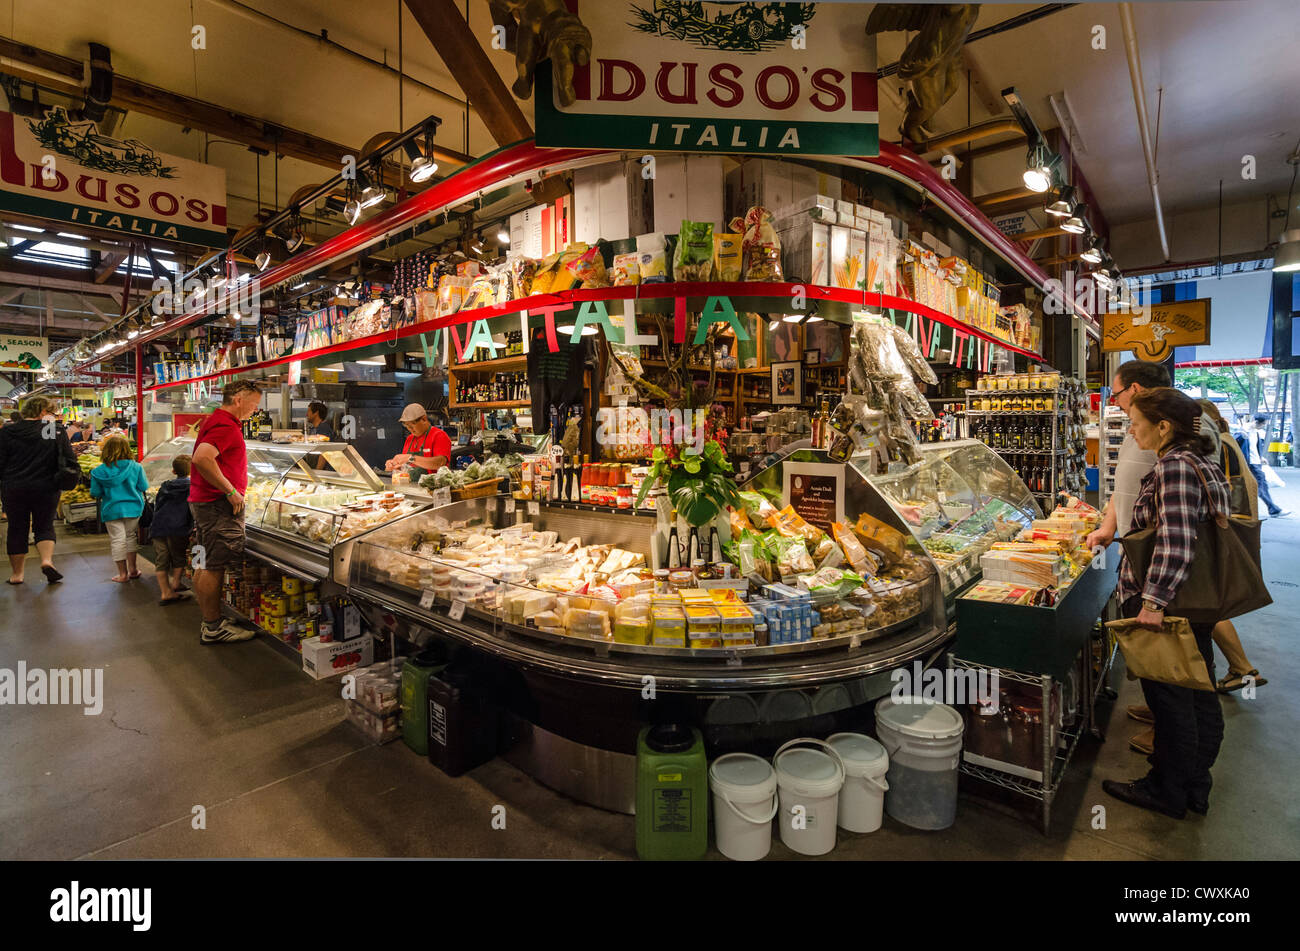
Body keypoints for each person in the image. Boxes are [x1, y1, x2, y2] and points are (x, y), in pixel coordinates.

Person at [1102, 388, 1230, 820]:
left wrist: (1153, 602)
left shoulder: (1175, 466)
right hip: (1196, 600)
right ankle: (1195, 783)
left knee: (1170, 699)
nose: (1131, 431)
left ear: (1163, 426)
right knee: (1197, 690)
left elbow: (1177, 540)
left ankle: (1166, 789)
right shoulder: (1200, 461)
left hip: (1171, 602)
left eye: (1136, 423)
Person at [1196, 401, 1269, 694]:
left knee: (1207, 605)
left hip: (1227, 531)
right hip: (1238, 528)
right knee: (1211, 604)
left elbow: (1218, 492)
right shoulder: (1226, 440)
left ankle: (1242, 668)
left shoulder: (1218, 445)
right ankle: (1241, 668)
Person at [189, 381, 263, 644]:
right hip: (217, 504)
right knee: (213, 566)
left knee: (205, 562)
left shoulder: (217, 421)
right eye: (254, 404)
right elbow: (201, 458)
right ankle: (213, 628)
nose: (256, 410)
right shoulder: (225, 426)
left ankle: (212, 620)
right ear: (239, 400)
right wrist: (230, 491)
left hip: (206, 502)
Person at [0, 397, 75, 584]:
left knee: (17, 528)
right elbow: (68, 459)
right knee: (44, 525)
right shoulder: (52, 430)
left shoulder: (8, 431)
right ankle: (47, 560)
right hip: (46, 487)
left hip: (14, 487)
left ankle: (17, 575)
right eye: (51, 412)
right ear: (42, 411)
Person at [89, 434, 150, 583]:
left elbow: (95, 493)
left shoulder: (98, 472)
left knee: (117, 540)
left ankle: (123, 575)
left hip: (111, 509)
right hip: (133, 508)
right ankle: (134, 570)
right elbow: (143, 486)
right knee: (130, 537)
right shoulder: (136, 467)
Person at [151, 454, 194, 605]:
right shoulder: (192, 487)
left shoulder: (165, 486)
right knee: (178, 556)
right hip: (178, 526)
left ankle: (165, 591)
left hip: (159, 525)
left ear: (173, 471)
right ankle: (175, 583)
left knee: (161, 560)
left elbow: (158, 504)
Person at [1243, 415, 1288, 518]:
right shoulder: (1243, 433)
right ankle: (1273, 509)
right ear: (1256, 422)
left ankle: (1270, 509)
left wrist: (1260, 457)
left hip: (1256, 462)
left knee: (1258, 486)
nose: (1264, 426)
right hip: (1250, 464)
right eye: (1263, 424)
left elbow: (1253, 448)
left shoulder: (1256, 433)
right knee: (1261, 485)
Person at [385, 403, 451, 473]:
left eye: (413, 424)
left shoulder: (439, 436)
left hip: (432, 483)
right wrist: (394, 466)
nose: (409, 428)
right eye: (406, 425)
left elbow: (440, 463)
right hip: (410, 483)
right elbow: (405, 467)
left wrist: (410, 458)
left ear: (424, 419)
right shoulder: (409, 439)